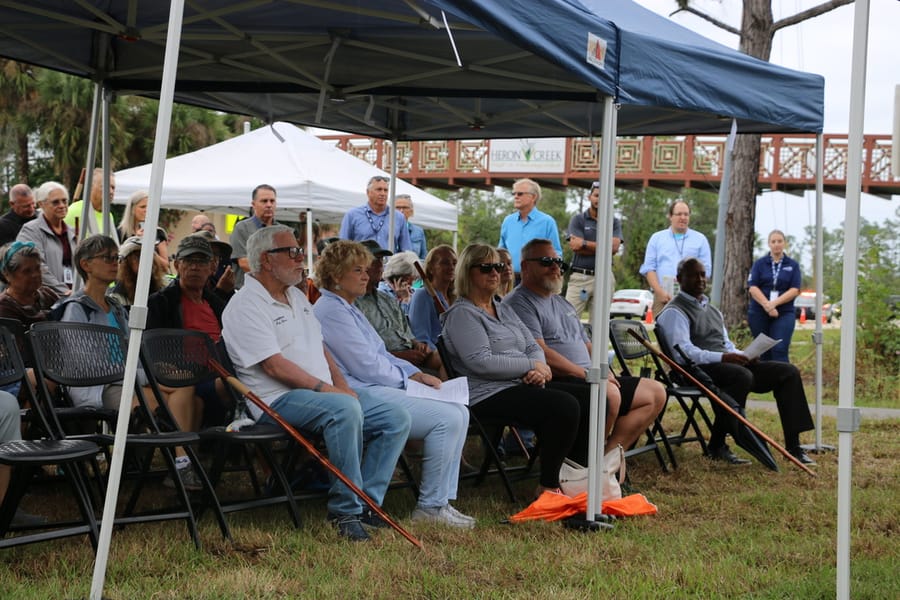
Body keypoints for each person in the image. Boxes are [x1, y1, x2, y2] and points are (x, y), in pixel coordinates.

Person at [221, 225, 410, 541]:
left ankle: (368, 505)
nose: (300, 258)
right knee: (344, 409)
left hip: (320, 394)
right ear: (267, 260)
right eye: (293, 252)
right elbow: (275, 366)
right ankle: (344, 511)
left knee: (396, 417)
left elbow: (320, 346)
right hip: (275, 400)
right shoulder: (245, 305)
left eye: (299, 251)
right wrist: (330, 391)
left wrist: (341, 386)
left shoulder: (296, 295)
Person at [313, 240, 474, 528]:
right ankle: (431, 506)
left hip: (375, 384)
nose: (366, 275)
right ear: (336, 275)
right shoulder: (330, 311)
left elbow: (380, 354)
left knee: (459, 410)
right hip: (358, 391)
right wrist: (408, 380)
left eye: (366, 269)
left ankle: (441, 501)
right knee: (447, 418)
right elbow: (366, 366)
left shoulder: (347, 307)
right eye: (358, 270)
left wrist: (416, 374)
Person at [56, 235, 205, 489]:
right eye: (107, 258)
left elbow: (133, 351)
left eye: (116, 258)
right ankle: (183, 464)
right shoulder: (76, 310)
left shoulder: (115, 308)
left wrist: (155, 369)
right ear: (86, 265)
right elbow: (88, 368)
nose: (114, 263)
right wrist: (147, 376)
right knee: (170, 398)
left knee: (190, 392)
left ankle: (182, 464)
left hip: (129, 382)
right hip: (100, 387)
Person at [504, 238, 666, 465]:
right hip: (554, 379)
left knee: (655, 392)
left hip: (587, 377)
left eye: (558, 262)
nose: (555, 267)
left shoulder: (563, 303)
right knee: (608, 394)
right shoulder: (519, 303)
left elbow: (588, 346)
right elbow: (541, 353)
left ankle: (605, 462)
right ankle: (585, 465)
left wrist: (604, 370)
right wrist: (587, 374)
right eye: (546, 261)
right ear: (526, 266)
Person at [440, 243, 581, 497]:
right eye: (486, 267)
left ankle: (578, 473)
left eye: (498, 266)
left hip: (518, 384)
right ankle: (548, 485)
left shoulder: (502, 307)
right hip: (485, 394)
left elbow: (531, 345)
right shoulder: (462, 314)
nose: (495, 272)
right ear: (466, 272)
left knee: (588, 394)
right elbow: (480, 361)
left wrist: (542, 369)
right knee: (564, 405)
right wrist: (530, 366)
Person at [655, 258, 816, 465]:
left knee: (788, 372)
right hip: (695, 371)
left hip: (726, 365)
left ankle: (794, 446)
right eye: (694, 275)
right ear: (679, 279)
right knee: (741, 376)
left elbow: (726, 344)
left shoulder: (712, 310)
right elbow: (683, 353)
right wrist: (724, 357)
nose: (700, 279)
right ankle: (718, 444)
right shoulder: (675, 311)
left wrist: (744, 355)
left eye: (703, 274)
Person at [147, 234, 233, 428]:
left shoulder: (217, 304)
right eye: (188, 261)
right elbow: (152, 349)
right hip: (184, 378)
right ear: (177, 265)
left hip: (220, 371)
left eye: (201, 261)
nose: (195, 267)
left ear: (212, 267)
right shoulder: (161, 303)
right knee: (230, 384)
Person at [354, 241, 442, 373]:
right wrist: (401, 357)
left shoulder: (387, 300)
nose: (380, 266)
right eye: (374, 261)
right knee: (443, 373)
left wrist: (418, 346)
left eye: (381, 260)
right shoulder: (354, 304)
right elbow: (363, 354)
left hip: (410, 357)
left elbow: (409, 335)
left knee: (448, 358)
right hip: (387, 365)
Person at [640, 200, 712, 317]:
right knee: (661, 332)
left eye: (686, 214)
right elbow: (649, 268)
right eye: (679, 214)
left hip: (690, 297)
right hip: (662, 296)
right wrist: (660, 292)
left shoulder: (700, 239)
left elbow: (706, 270)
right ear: (670, 216)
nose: (683, 217)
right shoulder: (657, 238)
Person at [565, 181, 623, 317]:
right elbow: (575, 246)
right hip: (580, 277)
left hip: (604, 277)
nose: (599, 199)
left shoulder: (613, 222)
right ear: (589, 197)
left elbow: (614, 247)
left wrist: (584, 243)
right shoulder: (578, 220)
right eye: (596, 195)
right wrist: (605, 247)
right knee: (568, 320)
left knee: (599, 324)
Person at [747, 230, 802, 362]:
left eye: (779, 241)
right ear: (769, 244)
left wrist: (774, 304)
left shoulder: (792, 265)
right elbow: (753, 287)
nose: (776, 244)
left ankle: (783, 381)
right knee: (763, 350)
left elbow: (795, 289)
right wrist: (767, 305)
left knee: (779, 348)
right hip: (760, 311)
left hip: (783, 312)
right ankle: (765, 381)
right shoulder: (759, 264)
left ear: (784, 243)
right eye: (773, 241)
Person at [16, 181, 76, 296]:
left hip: (73, 297)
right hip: (45, 300)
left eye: (64, 201)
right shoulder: (30, 231)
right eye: (55, 202)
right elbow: (37, 267)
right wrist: (64, 291)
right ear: (41, 204)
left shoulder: (72, 232)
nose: (62, 205)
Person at [497, 178, 562, 283]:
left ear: (533, 197)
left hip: (537, 281)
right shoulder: (508, 221)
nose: (516, 197)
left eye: (520, 194)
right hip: (510, 281)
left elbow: (556, 253)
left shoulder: (547, 222)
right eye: (514, 194)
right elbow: (501, 252)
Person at [338, 176, 412, 252]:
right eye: (379, 190)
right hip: (361, 263)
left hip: (389, 263)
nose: (383, 193)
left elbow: (406, 250)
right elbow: (343, 248)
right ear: (368, 192)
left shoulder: (398, 217)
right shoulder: (352, 215)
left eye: (385, 190)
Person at [229, 184, 279, 289]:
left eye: (272, 201)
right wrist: (274, 276)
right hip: (248, 290)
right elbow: (244, 263)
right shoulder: (242, 228)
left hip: (275, 291)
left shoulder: (281, 230)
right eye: (264, 201)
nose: (269, 205)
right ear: (253, 204)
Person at [0, 241, 60, 326]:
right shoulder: (5, 308)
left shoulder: (48, 295)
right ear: (7, 275)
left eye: (37, 268)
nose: (35, 274)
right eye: (27, 271)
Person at [408, 245, 456, 349]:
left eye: (454, 263)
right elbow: (422, 339)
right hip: (437, 357)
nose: (452, 267)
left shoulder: (456, 298)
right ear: (430, 268)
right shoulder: (422, 296)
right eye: (445, 263)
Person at [116, 190, 170, 272]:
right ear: (132, 209)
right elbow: (116, 263)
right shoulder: (121, 232)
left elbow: (165, 267)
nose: (147, 210)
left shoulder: (157, 233)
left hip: (152, 280)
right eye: (143, 207)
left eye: (149, 207)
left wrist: (148, 247)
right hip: (127, 281)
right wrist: (135, 242)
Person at [109, 236, 167, 307]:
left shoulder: (163, 286)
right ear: (127, 264)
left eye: (148, 256)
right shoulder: (118, 297)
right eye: (138, 257)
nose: (145, 261)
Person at [64, 168, 117, 239]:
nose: (111, 191)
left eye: (113, 188)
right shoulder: (75, 211)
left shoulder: (109, 216)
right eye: (105, 186)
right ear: (90, 187)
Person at [378, 251, 418, 315]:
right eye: (408, 279)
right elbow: (402, 321)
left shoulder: (414, 292)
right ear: (398, 275)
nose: (411, 284)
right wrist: (405, 299)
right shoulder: (382, 294)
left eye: (414, 279)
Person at [394, 195, 427, 259]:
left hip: (412, 268)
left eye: (405, 207)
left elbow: (423, 257)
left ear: (411, 211)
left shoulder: (418, 231)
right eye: (398, 207)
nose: (401, 211)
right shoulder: (385, 229)